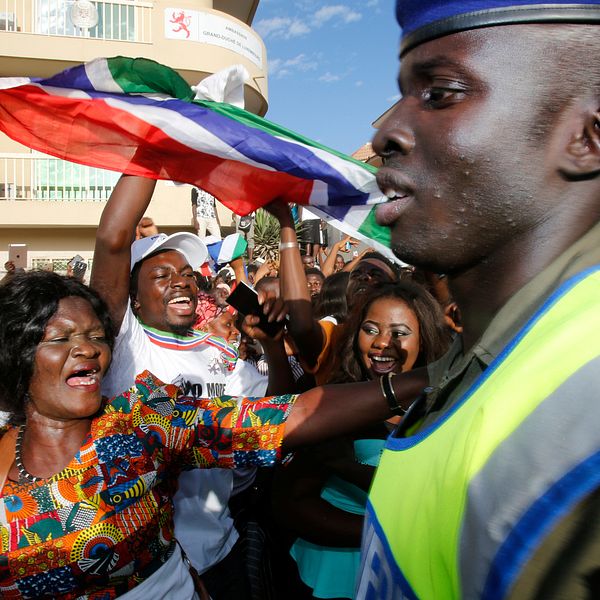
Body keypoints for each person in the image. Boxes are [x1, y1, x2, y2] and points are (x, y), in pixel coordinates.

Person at [356, 3, 600, 599]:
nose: (384, 129)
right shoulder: (496, 356)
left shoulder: (583, 408)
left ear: (588, 138)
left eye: (440, 93)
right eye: (404, 92)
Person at [0, 270, 427, 599]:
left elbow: (278, 417)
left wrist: (423, 381)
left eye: (97, 336)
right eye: (62, 338)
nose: (88, 348)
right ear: (16, 353)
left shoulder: (144, 424)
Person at [91, 175, 291, 599]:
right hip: (150, 573)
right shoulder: (125, 344)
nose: (181, 281)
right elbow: (112, 240)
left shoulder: (217, 353)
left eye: (186, 274)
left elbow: (278, 417)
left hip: (223, 556)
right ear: (134, 299)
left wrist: (273, 349)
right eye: (161, 275)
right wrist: (155, 140)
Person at [274, 281, 450, 599]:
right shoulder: (336, 406)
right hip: (333, 579)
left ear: (425, 339)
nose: (382, 343)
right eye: (370, 329)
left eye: (399, 332)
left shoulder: (447, 409)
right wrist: (385, 535)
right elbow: (292, 504)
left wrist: (346, 466)